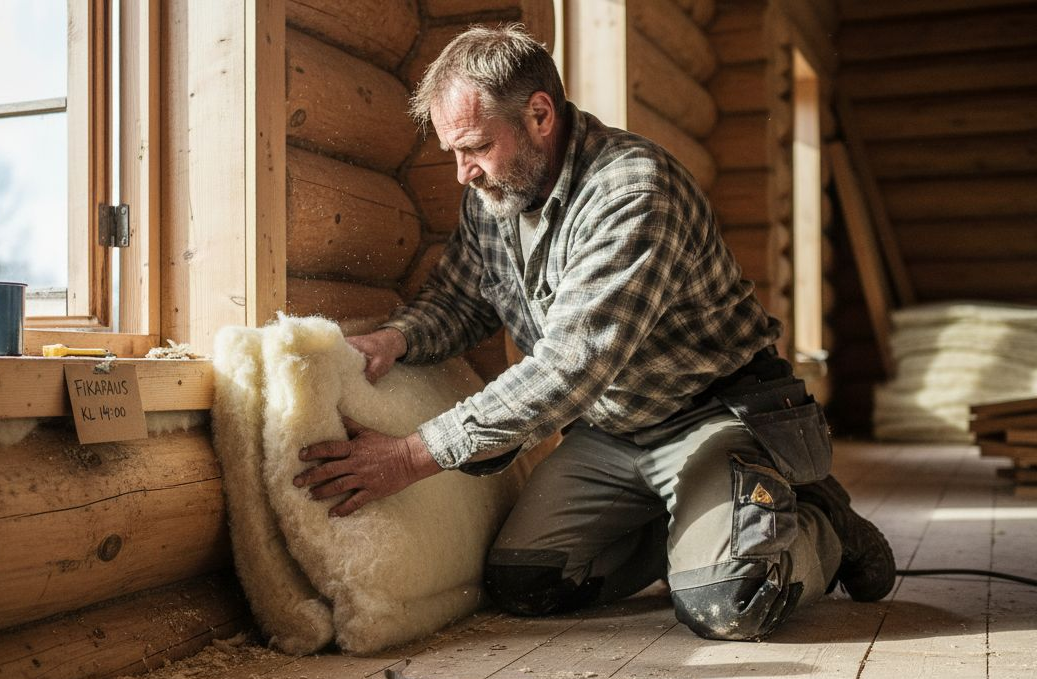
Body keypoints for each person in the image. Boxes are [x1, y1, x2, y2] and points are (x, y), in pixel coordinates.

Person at [291, 24, 895, 641]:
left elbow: (570, 368)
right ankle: (709, 525)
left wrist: (412, 455)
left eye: (473, 147)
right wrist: (398, 339)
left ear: (539, 114)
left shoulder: (634, 191)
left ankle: (819, 523)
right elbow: (461, 299)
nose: (461, 174)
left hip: (716, 413)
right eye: (452, 152)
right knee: (526, 584)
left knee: (727, 604)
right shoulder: (497, 193)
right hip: (614, 429)